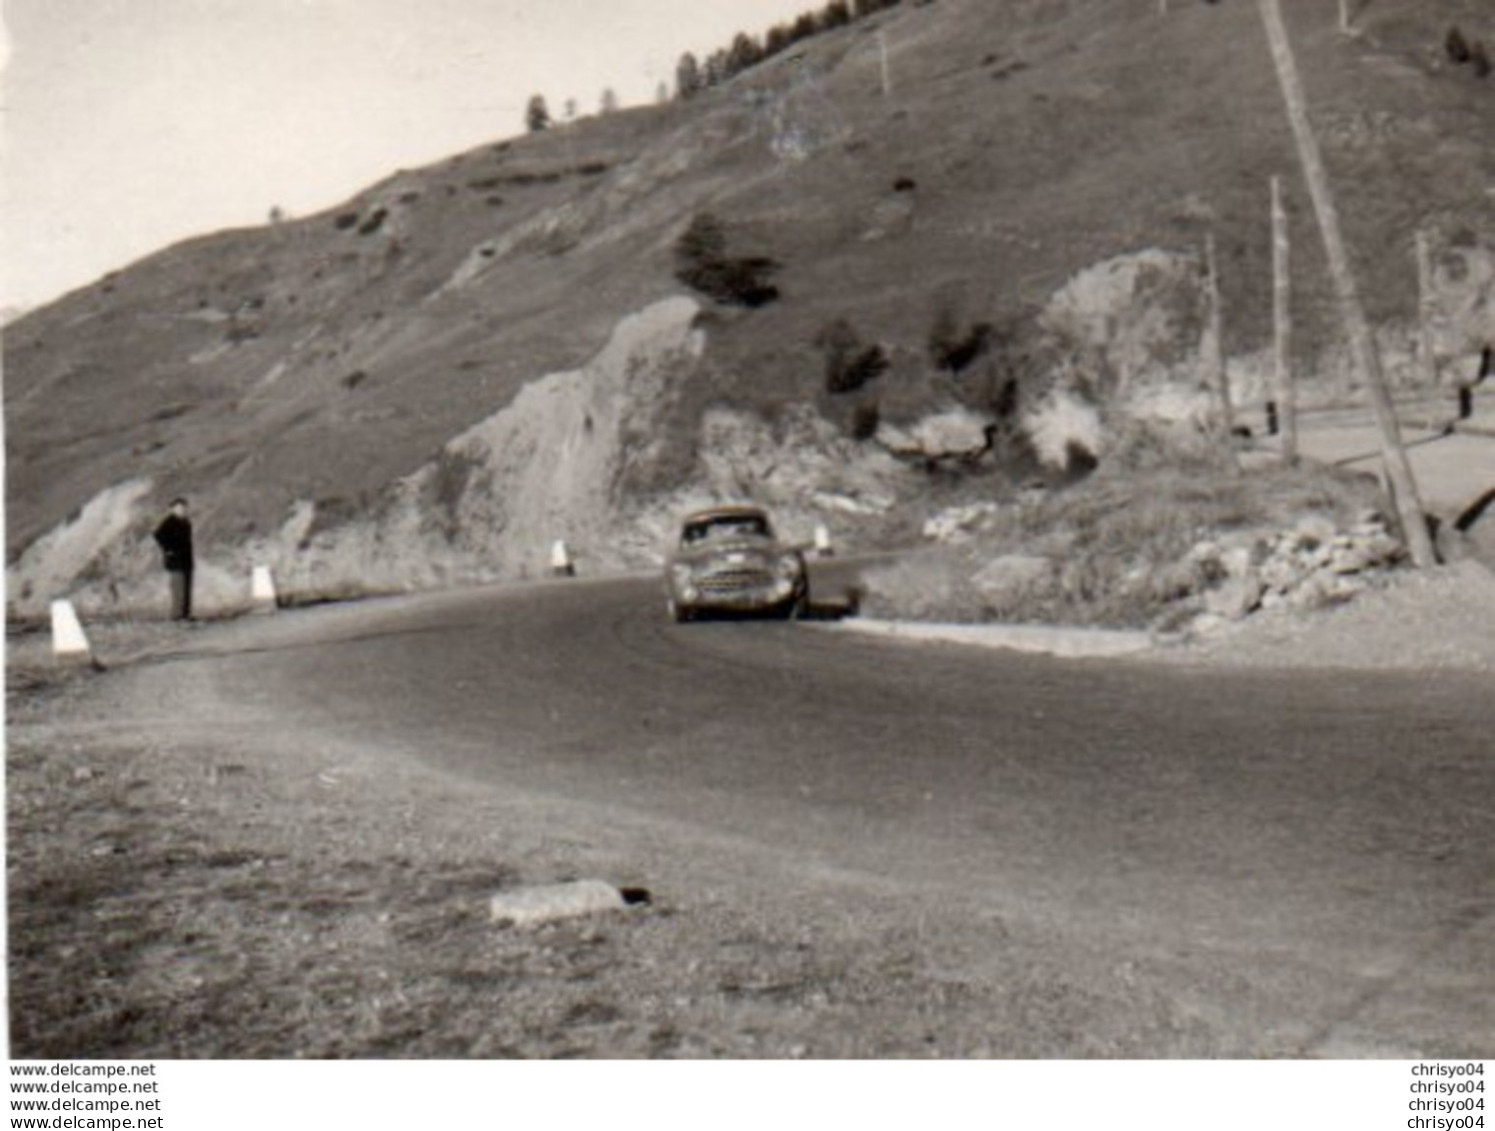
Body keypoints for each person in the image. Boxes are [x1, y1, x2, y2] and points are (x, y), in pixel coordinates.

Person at [153, 497, 195, 621]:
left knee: (187, 587)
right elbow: (158, 535)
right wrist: (168, 549)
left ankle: (185, 614)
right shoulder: (169, 522)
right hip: (175, 561)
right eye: (179, 508)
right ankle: (177, 615)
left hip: (186, 560)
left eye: (184, 507)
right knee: (178, 587)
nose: (182, 510)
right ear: (173, 509)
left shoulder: (186, 522)